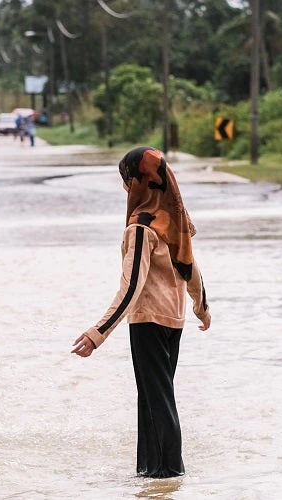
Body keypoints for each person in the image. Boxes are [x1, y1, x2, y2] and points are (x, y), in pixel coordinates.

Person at [71, 147, 212, 478]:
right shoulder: (172, 219)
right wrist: (201, 306)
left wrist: (97, 334)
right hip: (173, 322)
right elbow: (190, 268)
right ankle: (151, 477)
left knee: (157, 401)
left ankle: (168, 474)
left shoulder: (140, 228)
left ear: (138, 184)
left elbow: (131, 288)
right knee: (155, 399)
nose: (125, 188)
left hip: (148, 321)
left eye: (127, 180)